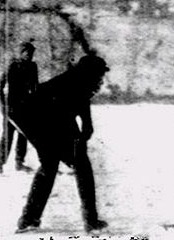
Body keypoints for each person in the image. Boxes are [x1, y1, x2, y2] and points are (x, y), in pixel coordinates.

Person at [14, 53, 110, 233]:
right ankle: (90, 221)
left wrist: (87, 127)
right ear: (90, 72)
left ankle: (29, 219)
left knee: (51, 166)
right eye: (99, 74)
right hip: (34, 119)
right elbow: (63, 118)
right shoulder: (72, 83)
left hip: (39, 118)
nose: (101, 78)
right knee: (79, 166)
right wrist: (78, 141)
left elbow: (82, 104)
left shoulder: (79, 81)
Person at [0, 41, 38, 174]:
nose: (29, 55)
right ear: (21, 53)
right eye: (27, 53)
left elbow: (35, 88)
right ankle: (0, 165)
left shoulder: (33, 67)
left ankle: (19, 162)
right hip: (11, 107)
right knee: (7, 136)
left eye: (31, 53)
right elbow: (0, 86)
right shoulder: (12, 66)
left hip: (26, 107)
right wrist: (3, 105)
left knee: (24, 136)